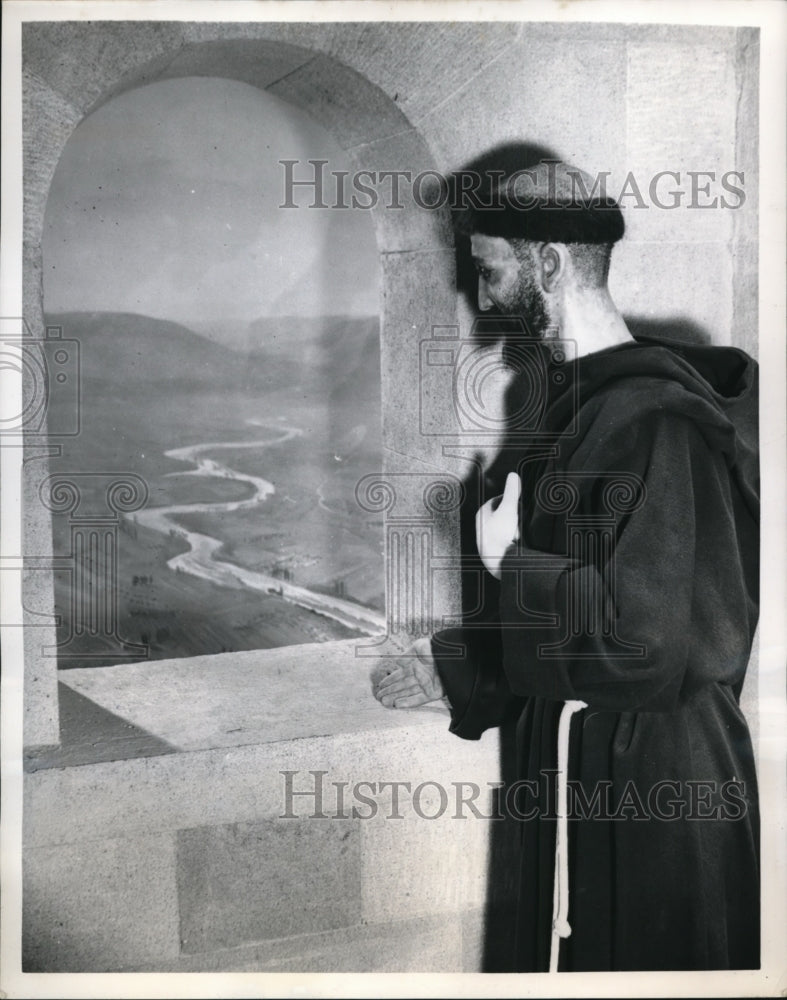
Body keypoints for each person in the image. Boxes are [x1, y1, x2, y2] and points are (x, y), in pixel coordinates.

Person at [370, 160, 760, 971]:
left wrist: (510, 560)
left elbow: (650, 644)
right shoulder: (573, 409)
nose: (479, 300)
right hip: (589, 758)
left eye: (490, 270)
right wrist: (459, 671)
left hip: (660, 784)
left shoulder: (659, 424)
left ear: (547, 262)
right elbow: (575, 619)